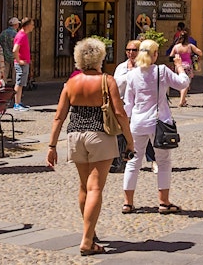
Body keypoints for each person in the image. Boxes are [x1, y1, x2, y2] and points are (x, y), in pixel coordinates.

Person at [46, 38, 134, 256]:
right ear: (100, 57)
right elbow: (120, 113)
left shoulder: (71, 83)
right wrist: (129, 141)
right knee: (95, 187)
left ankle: (90, 232)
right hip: (99, 135)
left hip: (75, 135)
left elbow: (59, 117)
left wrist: (52, 145)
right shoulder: (107, 80)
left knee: (84, 186)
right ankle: (87, 240)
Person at [120, 38, 189, 214]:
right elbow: (183, 83)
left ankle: (128, 203)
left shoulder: (132, 74)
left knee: (133, 161)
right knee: (163, 162)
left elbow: (128, 103)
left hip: (137, 122)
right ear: (155, 54)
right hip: (158, 123)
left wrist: (125, 124)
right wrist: (180, 67)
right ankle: (163, 202)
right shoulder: (161, 71)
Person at [169, 32, 200, 107]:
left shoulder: (176, 47)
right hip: (187, 66)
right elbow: (200, 52)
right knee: (186, 83)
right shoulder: (190, 46)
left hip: (178, 66)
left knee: (181, 82)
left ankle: (183, 100)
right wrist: (194, 56)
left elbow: (170, 56)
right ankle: (181, 100)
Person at [11, 17, 33, 110]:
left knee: (21, 83)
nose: (33, 26)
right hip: (21, 63)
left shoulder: (22, 34)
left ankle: (19, 102)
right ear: (27, 25)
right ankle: (16, 104)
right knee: (19, 83)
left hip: (23, 62)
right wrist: (19, 60)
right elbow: (15, 49)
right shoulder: (21, 35)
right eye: (32, 24)